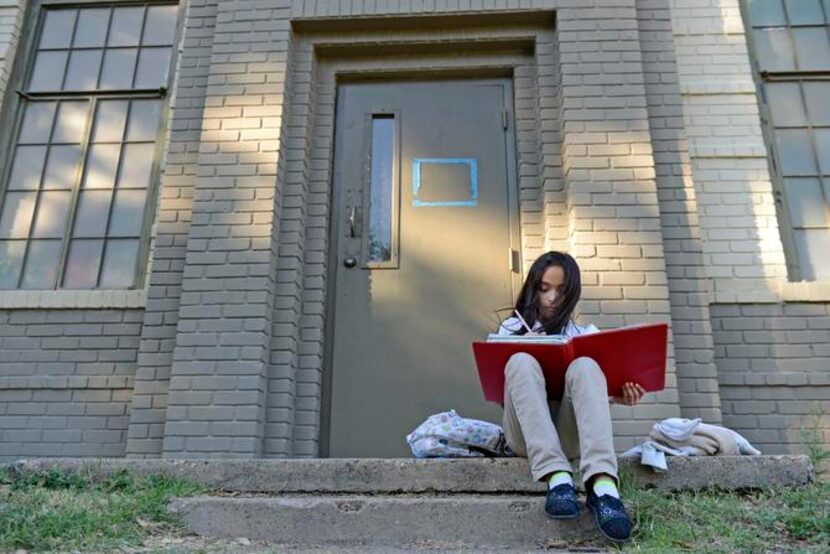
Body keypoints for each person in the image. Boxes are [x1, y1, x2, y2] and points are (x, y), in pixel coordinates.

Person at [498, 251, 646, 542]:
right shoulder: (510, 329)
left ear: (572, 293)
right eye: (544, 289)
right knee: (520, 361)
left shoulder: (587, 333)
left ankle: (603, 488)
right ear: (533, 289)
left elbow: (594, 399)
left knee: (586, 364)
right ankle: (557, 478)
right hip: (526, 437)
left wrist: (619, 395)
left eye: (561, 290)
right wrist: (521, 347)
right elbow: (504, 401)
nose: (551, 298)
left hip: (570, 435)